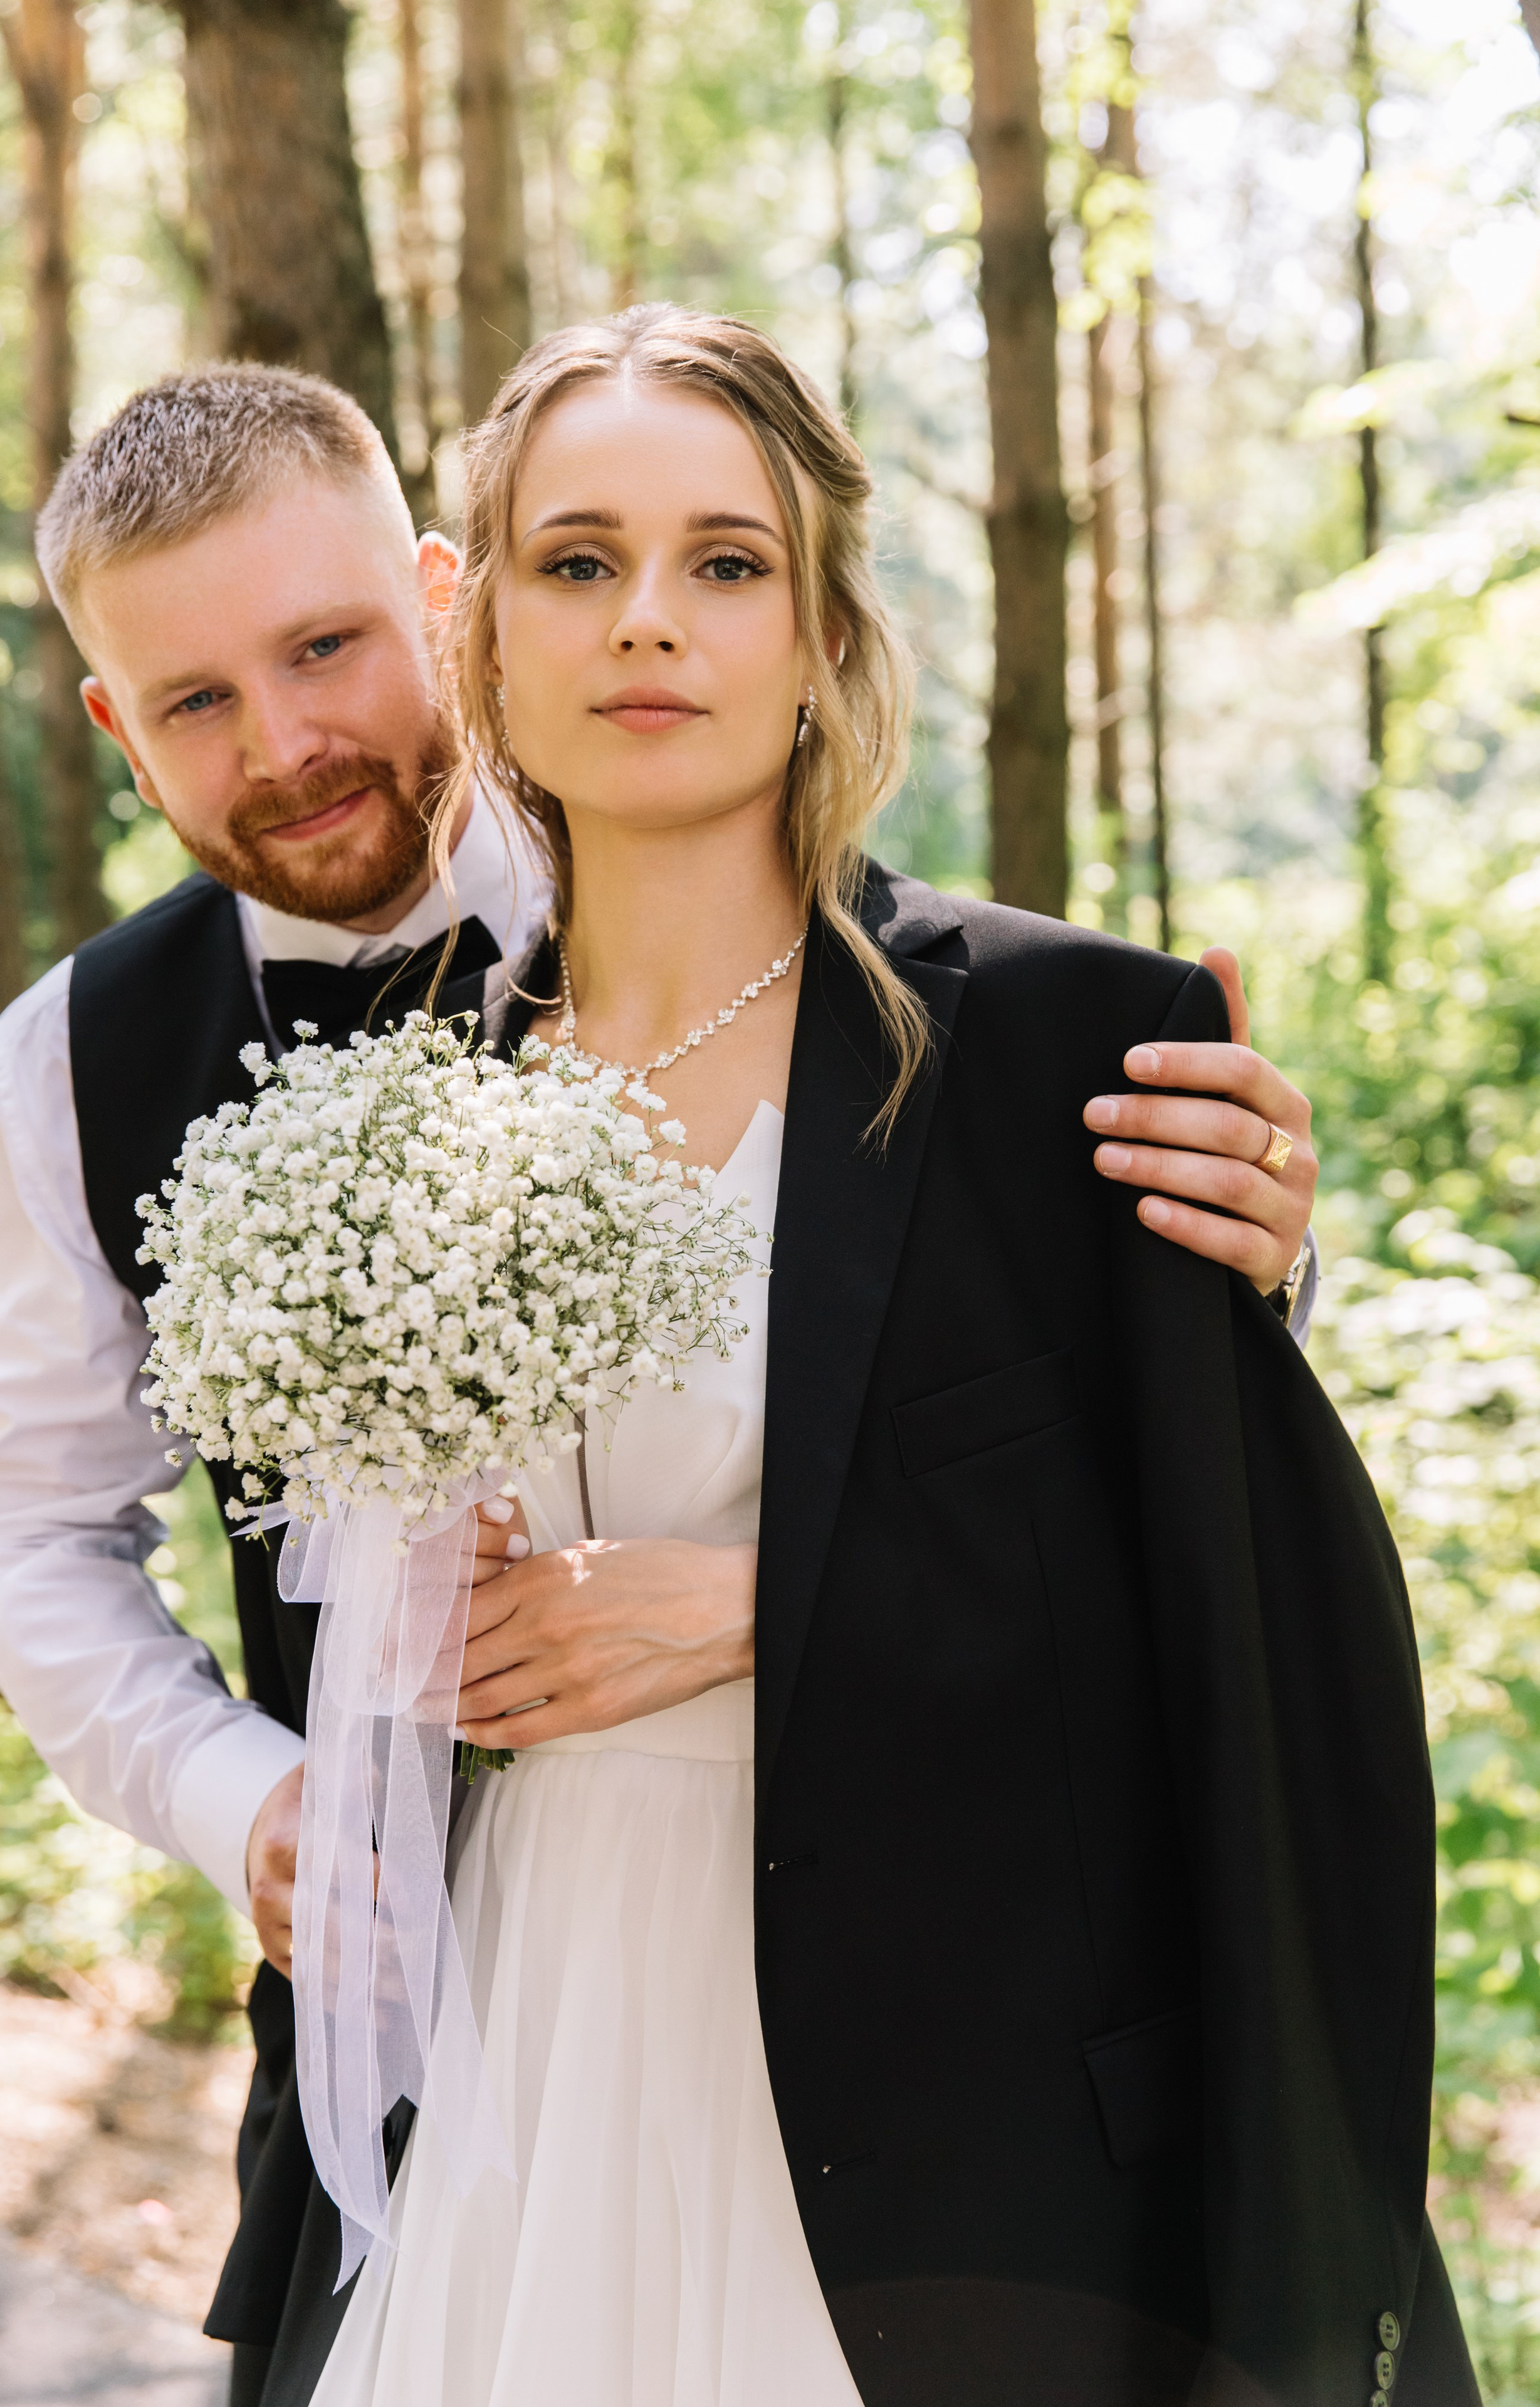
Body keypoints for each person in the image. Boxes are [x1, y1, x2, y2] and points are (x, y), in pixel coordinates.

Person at [0, 354, 1327, 2406]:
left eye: (326, 646)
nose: (293, 741)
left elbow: (1067, 1397)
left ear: (442, 602)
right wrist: (260, 1808)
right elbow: (24, 1525)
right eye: (197, 701)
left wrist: (1270, 1267)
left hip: (930, 2070)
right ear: (112, 727)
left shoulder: (756, 878)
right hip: (435, 2058)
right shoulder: (75, 1063)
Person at [270, 307, 1473, 2407]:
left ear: (824, 626)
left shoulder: (1065, 1046)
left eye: (726, 563)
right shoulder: (404, 1093)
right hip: (527, 2050)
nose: (652, 621)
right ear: (486, 639)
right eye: (579, 561)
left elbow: (1241, 1631)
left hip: (948, 2119)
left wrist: (765, 1611)